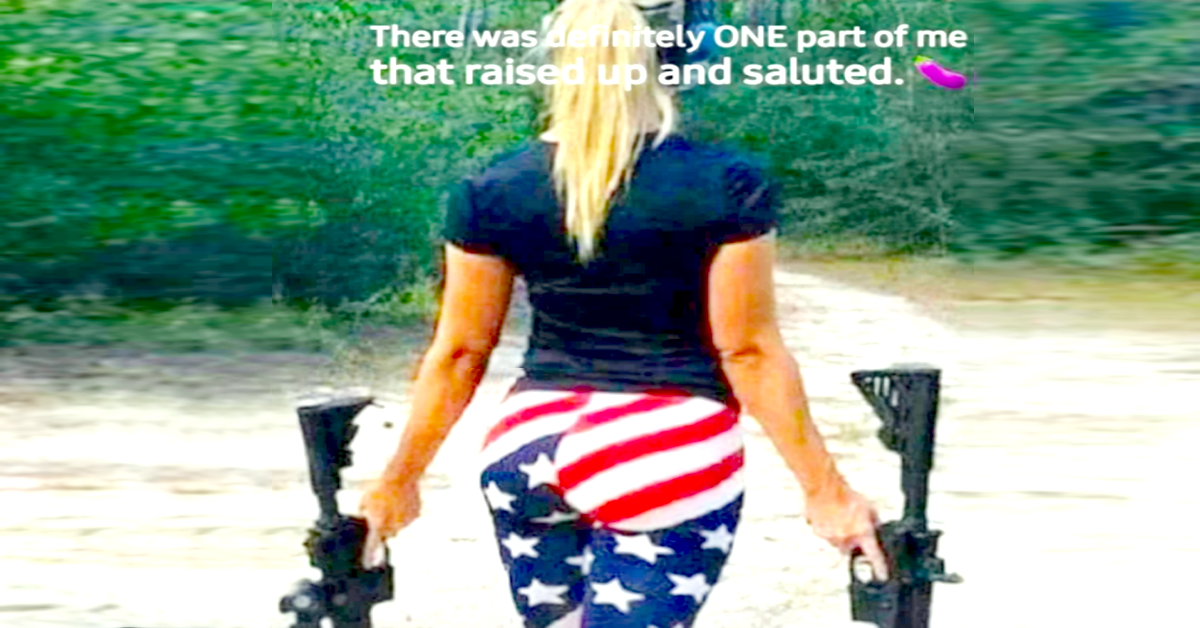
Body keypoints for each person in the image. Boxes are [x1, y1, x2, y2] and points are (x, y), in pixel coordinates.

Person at [360, 1, 887, 626]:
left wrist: (397, 482)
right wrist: (826, 491)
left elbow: (460, 352)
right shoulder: (726, 182)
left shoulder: (488, 187)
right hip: (664, 446)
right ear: (677, 58)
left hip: (528, 446)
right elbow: (746, 350)